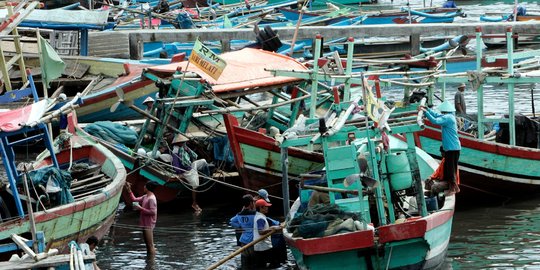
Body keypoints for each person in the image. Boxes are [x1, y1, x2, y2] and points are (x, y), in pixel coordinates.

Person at [420, 101, 461, 195]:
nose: (441, 113)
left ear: (444, 111)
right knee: (449, 168)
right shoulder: (449, 116)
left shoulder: (448, 118)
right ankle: (452, 186)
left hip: (452, 148)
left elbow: (435, 121)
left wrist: (425, 112)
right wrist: (427, 109)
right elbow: (436, 115)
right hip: (451, 147)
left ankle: (453, 188)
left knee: (451, 170)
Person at [171, 133, 210, 213]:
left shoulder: (184, 147)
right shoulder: (176, 150)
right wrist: (179, 173)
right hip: (185, 171)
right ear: (177, 143)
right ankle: (194, 203)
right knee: (195, 184)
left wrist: (188, 151)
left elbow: (193, 156)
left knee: (203, 161)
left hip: (190, 166)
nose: (183, 143)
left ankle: (207, 178)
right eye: (182, 142)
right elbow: (176, 164)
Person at [125, 181, 158, 256]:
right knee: (147, 244)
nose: (144, 187)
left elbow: (153, 212)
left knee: (150, 245)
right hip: (144, 222)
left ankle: (152, 263)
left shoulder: (152, 199)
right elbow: (134, 199)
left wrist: (140, 208)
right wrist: (129, 190)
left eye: (145, 186)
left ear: (148, 188)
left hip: (149, 223)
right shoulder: (145, 196)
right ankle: (149, 261)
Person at [230, 194, 257, 269]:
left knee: (245, 264)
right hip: (253, 241)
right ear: (251, 203)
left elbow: (231, 221)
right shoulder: (255, 214)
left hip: (243, 241)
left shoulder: (239, 215)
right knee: (253, 264)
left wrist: (240, 227)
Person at [253, 199, 281, 268]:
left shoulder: (258, 216)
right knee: (273, 265)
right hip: (263, 247)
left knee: (262, 266)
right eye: (265, 206)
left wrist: (271, 227)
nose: (267, 208)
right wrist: (272, 228)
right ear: (261, 208)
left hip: (260, 246)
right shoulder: (260, 218)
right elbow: (261, 232)